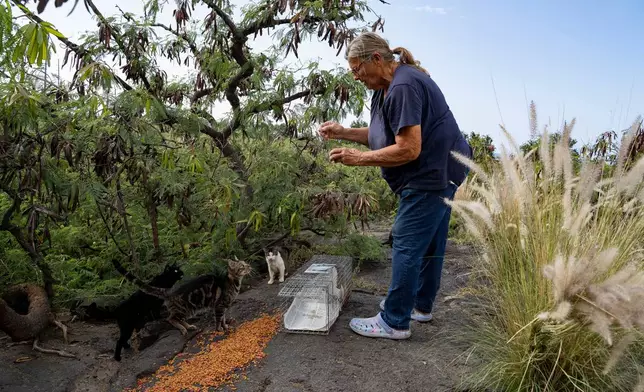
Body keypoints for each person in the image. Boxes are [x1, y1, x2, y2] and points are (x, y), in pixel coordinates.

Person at [317, 32, 472, 340]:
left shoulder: (403, 86)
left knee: (406, 239)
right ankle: (419, 305)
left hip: (431, 173)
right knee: (430, 242)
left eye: (357, 69)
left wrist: (357, 159)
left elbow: (409, 148)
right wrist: (343, 132)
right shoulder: (387, 86)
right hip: (446, 168)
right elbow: (381, 134)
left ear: (376, 59)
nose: (356, 77)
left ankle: (394, 321)